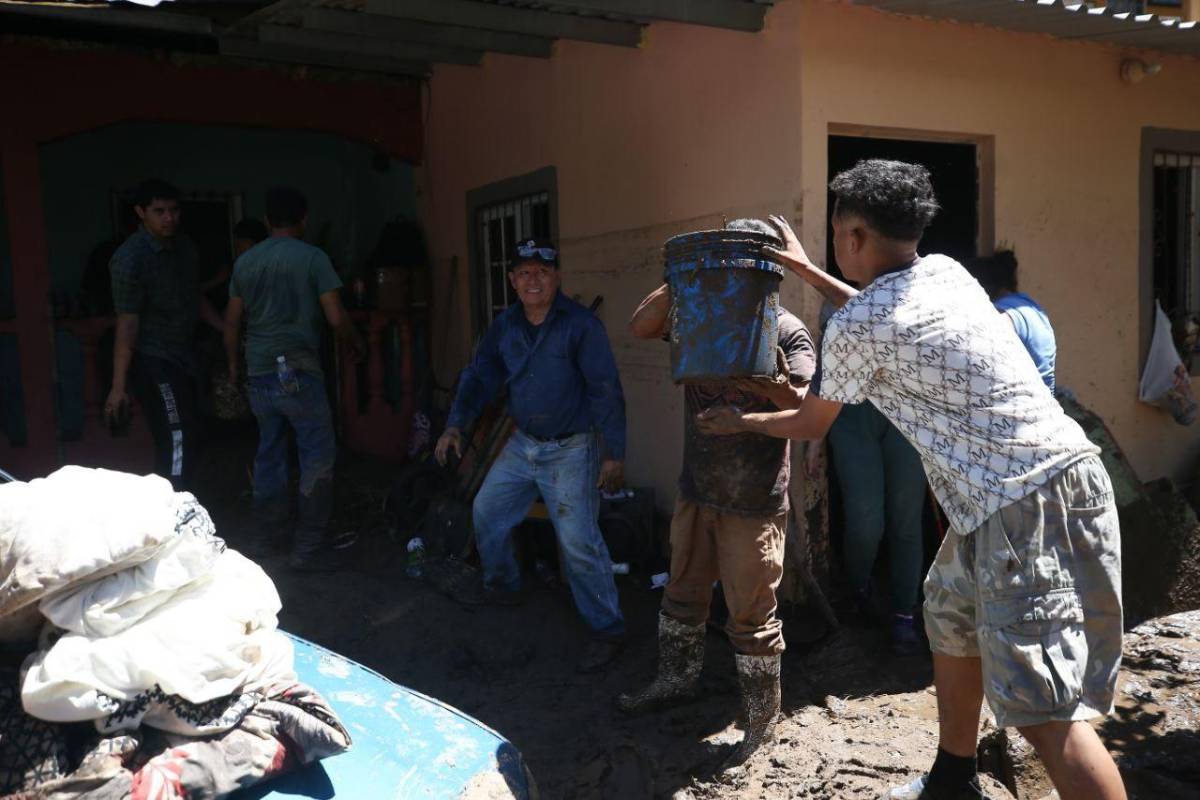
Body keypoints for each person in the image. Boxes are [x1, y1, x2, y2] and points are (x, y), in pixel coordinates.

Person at [697, 161, 1124, 800]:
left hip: (1024, 505)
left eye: (838, 233)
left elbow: (812, 423)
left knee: (1044, 712)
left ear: (855, 237)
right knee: (950, 613)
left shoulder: (862, 324)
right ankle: (953, 779)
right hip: (1037, 489)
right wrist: (810, 273)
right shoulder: (947, 274)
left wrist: (742, 420)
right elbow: (877, 318)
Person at [619, 219, 816, 771]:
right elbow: (640, 325)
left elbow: (802, 401)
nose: (730, 276)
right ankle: (675, 681)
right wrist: (687, 276)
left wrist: (747, 401)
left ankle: (761, 724)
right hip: (697, 485)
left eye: (739, 266)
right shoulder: (696, 314)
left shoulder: (785, 328)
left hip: (754, 496)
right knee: (682, 592)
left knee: (752, 613)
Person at [433, 238, 628, 674]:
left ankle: (607, 629)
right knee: (487, 511)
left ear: (556, 277)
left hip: (572, 447)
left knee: (578, 541)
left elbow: (605, 389)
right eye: (523, 272)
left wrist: (614, 454)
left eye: (541, 271)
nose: (532, 279)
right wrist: (455, 425)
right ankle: (503, 586)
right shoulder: (505, 326)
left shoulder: (580, 326)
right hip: (523, 444)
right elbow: (479, 376)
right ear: (511, 280)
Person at [224, 187, 365, 571]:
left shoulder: (245, 263)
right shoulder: (314, 259)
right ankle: (308, 546)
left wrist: (235, 372)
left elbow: (232, 324)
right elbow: (336, 318)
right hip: (300, 371)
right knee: (316, 455)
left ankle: (266, 540)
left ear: (268, 221)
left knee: (269, 455)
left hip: (259, 375)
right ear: (304, 219)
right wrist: (355, 343)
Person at [106, 179, 218, 491]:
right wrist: (118, 386)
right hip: (153, 359)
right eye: (159, 211)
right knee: (176, 435)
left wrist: (226, 330)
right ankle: (175, 514)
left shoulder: (184, 247)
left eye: (174, 210)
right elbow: (127, 323)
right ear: (141, 212)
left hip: (185, 355)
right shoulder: (130, 258)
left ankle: (184, 504)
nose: (169, 218)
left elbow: (194, 296)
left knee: (194, 432)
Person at [966, 249, 1057, 391]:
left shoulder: (1002, 313)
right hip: (1041, 402)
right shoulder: (1027, 303)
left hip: (1024, 405)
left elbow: (981, 344)